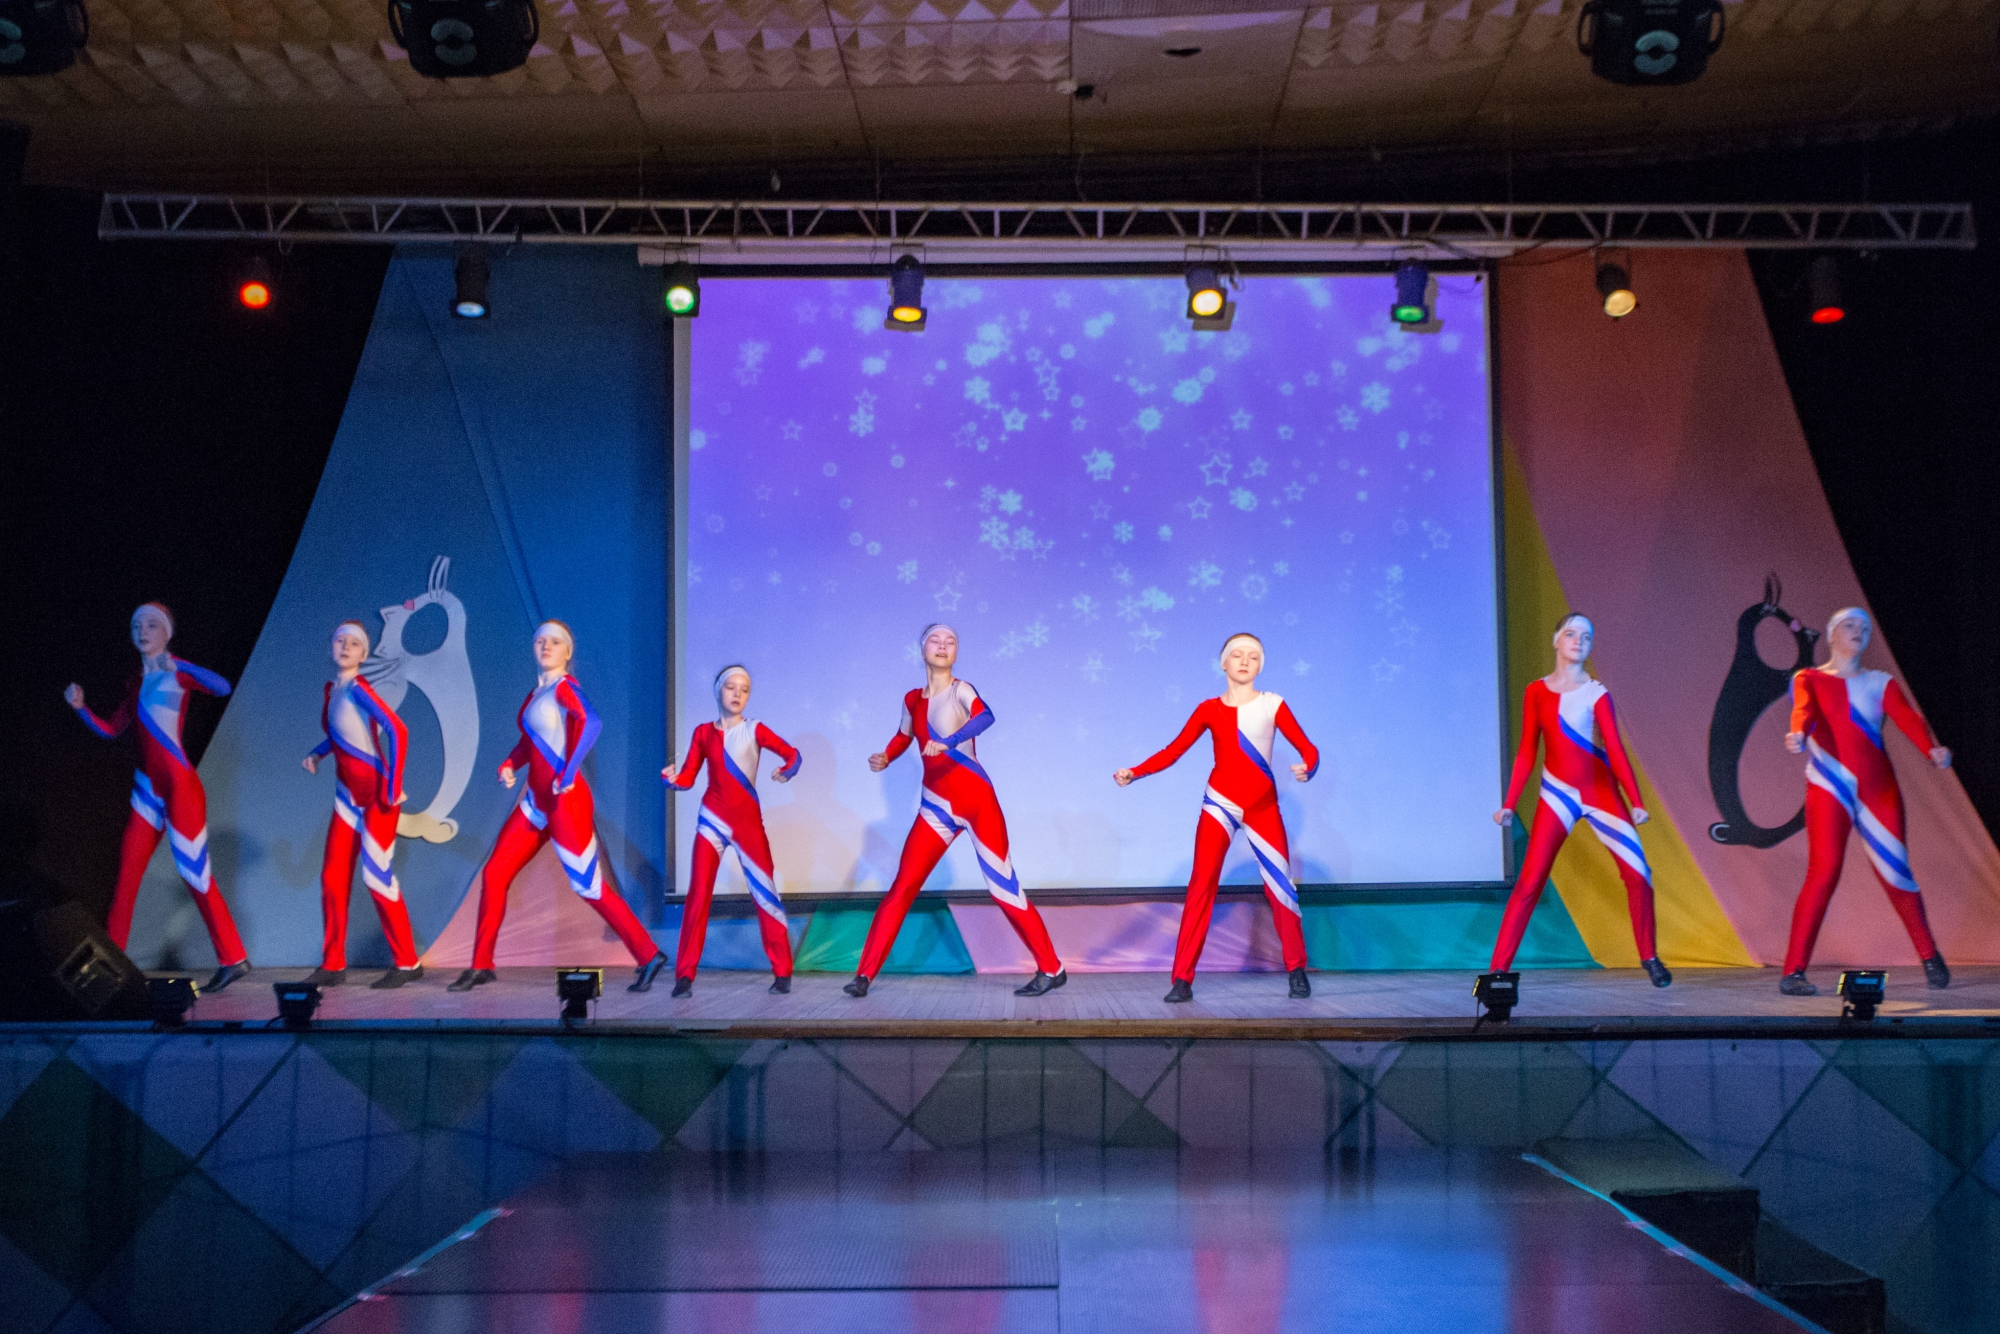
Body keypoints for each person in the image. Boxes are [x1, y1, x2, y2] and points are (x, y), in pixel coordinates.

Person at [844, 623, 1065, 998]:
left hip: (977, 802)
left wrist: (950, 741)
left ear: (956, 652)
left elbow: (986, 716)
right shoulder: (912, 700)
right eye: (935, 639)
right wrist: (887, 756)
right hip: (935, 807)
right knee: (903, 886)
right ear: (922, 649)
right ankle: (863, 976)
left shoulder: (962, 690)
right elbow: (903, 735)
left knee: (1004, 888)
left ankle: (1052, 968)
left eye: (951, 641)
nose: (943, 645)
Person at [448, 621, 669, 992]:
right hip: (536, 803)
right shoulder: (536, 694)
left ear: (568, 652)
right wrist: (509, 764)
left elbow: (591, 722)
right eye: (540, 641)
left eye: (555, 642)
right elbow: (530, 742)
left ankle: (648, 955)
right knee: (495, 873)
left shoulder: (565, 687)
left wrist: (568, 771)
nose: (546, 646)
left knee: (589, 887)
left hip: (566, 801)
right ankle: (481, 964)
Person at [1116, 632, 1319, 1003]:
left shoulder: (1273, 704)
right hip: (1220, 804)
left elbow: (1308, 748)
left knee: (1281, 888)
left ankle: (1296, 971)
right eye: (1237, 655)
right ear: (1223, 663)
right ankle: (1182, 980)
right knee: (1201, 885)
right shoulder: (1208, 709)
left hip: (1263, 808)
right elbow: (1173, 751)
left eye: (1253, 657)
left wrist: (1309, 765)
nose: (1245, 661)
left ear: (1260, 666)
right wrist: (1136, 771)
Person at [65, 602, 252, 992]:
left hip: (179, 787)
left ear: (168, 633)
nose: (143, 631)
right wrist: (82, 709)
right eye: (137, 625)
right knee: (127, 875)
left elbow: (222, 687)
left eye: (152, 625)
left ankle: (233, 958)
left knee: (195, 875)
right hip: (146, 789)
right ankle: (112, 968)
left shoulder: (177, 672)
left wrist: (179, 664)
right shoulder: (136, 682)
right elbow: (112, 729)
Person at [1779, 607, 1954, 995]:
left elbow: (1908, 718)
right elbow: (1803, 710)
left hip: (1878, 790)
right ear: (1831, 634)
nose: (1858, 631)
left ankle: (1930, 957)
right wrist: (1796, 734)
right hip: (1829, 787)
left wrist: (1931, 749)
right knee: (1823, 872)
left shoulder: (1880, 682)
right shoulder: (1808, 678)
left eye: (1864, 628)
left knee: (1896, 873)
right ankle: (1793, 972)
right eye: (1849, 625)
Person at [1489, 613, 1669, 986]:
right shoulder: (1535, 692)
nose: (1578, 641)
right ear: (1556, 640)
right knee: (1529, 882)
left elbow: (1615, 749)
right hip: (1557, 794)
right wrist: (1509, 803)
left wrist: (1636, 800)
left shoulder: (1597, 693)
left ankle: (1649, 957)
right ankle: (1497, 969)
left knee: (1639, 874)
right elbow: (1526, 751)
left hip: (1601, 793)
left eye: (1586, 637)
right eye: (1571, 634)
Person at [662, 664, 800, 996]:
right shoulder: (702, 733)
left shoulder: (755, 730)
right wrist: (671, 780)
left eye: (744, 689)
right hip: (711, 820)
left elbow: (793, 755)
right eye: (730, 687)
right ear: (717, 691)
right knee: (698, 895)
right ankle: (684, 976)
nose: (737, 694)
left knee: (765, 894)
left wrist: (788, 770)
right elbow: (688, 778)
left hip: (747, 823)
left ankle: (782, 972)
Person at [302, 620, 422, 988]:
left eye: (354, 643)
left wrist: (393, 785)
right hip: (346, 795)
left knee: (376, 876)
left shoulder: (358, 688)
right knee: (332, 877)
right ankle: (332, 964)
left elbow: (398, 730)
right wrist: (317, 753)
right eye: (340, 640)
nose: (345, 646)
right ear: (331, 646)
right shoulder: (332, 690)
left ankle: (408, 963)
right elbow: (341, 735)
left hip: (377, 796)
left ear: (364, 655)